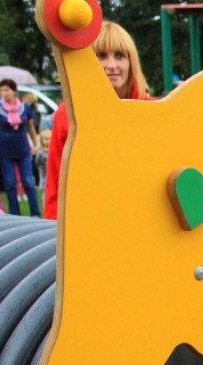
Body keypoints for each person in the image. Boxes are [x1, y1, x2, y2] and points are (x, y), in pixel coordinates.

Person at [45, 20, 151, 219]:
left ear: (131, 61)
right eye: (101, 55)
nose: (111, 65)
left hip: (144, 220)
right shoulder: (67, 115)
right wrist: (53, 230)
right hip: (89, 220)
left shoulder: (152, 110)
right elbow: (57, 185)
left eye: (119, 55)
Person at [0, 78, 40, 217]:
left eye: (7, 90)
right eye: (2, 90)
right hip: (5, 150)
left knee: (28, 181)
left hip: (23, 149)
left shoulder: (25, 108)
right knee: (10, 183)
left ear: (14, 91)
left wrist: (35, 144)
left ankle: (35, 212)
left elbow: (31, 127)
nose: (4, 93)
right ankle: (14, 213)